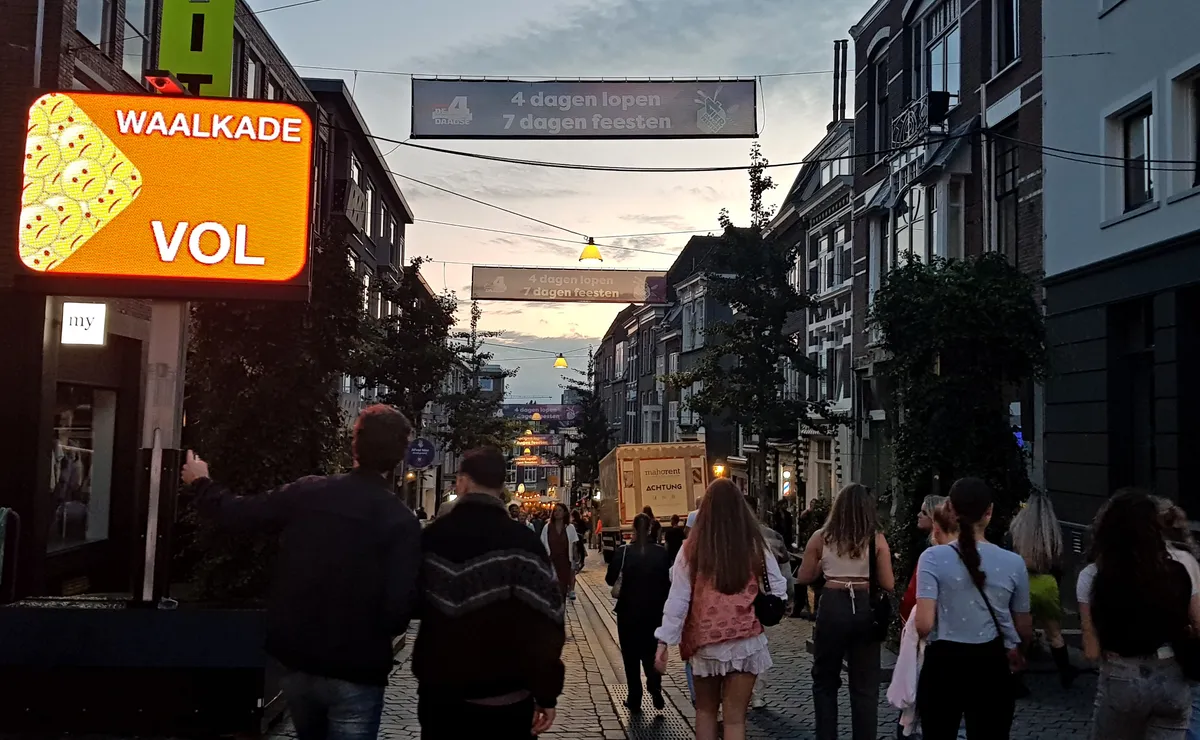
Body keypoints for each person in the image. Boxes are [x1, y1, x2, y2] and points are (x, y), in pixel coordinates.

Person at [181, 404, 421, 740]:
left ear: (354, 443)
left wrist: (201, 482)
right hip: (358, 667)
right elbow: (398, 610)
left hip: (300, 658)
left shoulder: (310, 493)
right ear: (399, 455)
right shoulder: (401, 521)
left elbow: (241, 513)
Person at [414, 447, 565, 739]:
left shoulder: (433, 537)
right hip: (506, 701)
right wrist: (546, 693)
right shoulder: (524, 544)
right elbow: (547, 623)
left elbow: (407, 602)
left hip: (441, 699)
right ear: (502, 486)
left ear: (463, 482)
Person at [654, 479, 787, 740]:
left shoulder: (691, 549)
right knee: (735, 719)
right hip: (745, 640)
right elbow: (779, 586)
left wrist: (663, 641)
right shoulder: (754, 544)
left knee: (705, 712)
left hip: (706, 642)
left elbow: (678, 599)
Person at [1076, 489, 1200, 739]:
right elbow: (1198, 625)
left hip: (1122, 677)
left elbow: (1091, 651)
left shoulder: (1093, 575)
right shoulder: (1182, 565)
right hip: (1172, 676)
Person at [914, 477, 1031, 740]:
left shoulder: (932, 558)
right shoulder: (1013, 563)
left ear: (950, 510)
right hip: (991, 663)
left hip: (943, 662)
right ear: (989, 512)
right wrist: (1019, 650)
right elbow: (1023, 626)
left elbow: (924, 624)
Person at [796, 483, 894, 740]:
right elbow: (888, 583)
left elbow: (804, 576)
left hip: (832, 603)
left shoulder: (821, 537)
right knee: (865, 684)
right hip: (864, 606)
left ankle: (827, 734)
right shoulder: (876, 539)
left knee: (825, 679)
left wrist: (823, 566)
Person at [1008, 493, 1076, 692]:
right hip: (1048, 583)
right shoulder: (1053, 533)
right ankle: (1065, 672)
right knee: (1054, 634)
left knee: (1022, 633)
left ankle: (1017, 678)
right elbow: (1060, 563)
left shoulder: (1016, 530)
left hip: (1023, 582)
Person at [605, 513, 672, 712]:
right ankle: (654, 684)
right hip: (654, 611)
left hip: (628, 611)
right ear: (651, 529)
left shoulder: (624, 552)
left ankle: (635, 696)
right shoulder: (661, 553)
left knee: (630, 654)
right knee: (651, 651)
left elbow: (610, 579)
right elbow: (668, 583)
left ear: (633, 529)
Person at [899, 495, 946, 624]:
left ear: (934, 518)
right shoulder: (924, 543)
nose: (919, 515)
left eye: (924, 513)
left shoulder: (931, 551)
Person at [541, 503, 581, 600]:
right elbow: (542, 543)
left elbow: (574, 546)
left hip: (565, 561)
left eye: (560, 510)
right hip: (551, 561)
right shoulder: (547, 527)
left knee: (562, 587)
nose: (557, 513)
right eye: (555, 510)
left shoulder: (570, 527)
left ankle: (562, 605)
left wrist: (576, 562)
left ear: (564, 513)